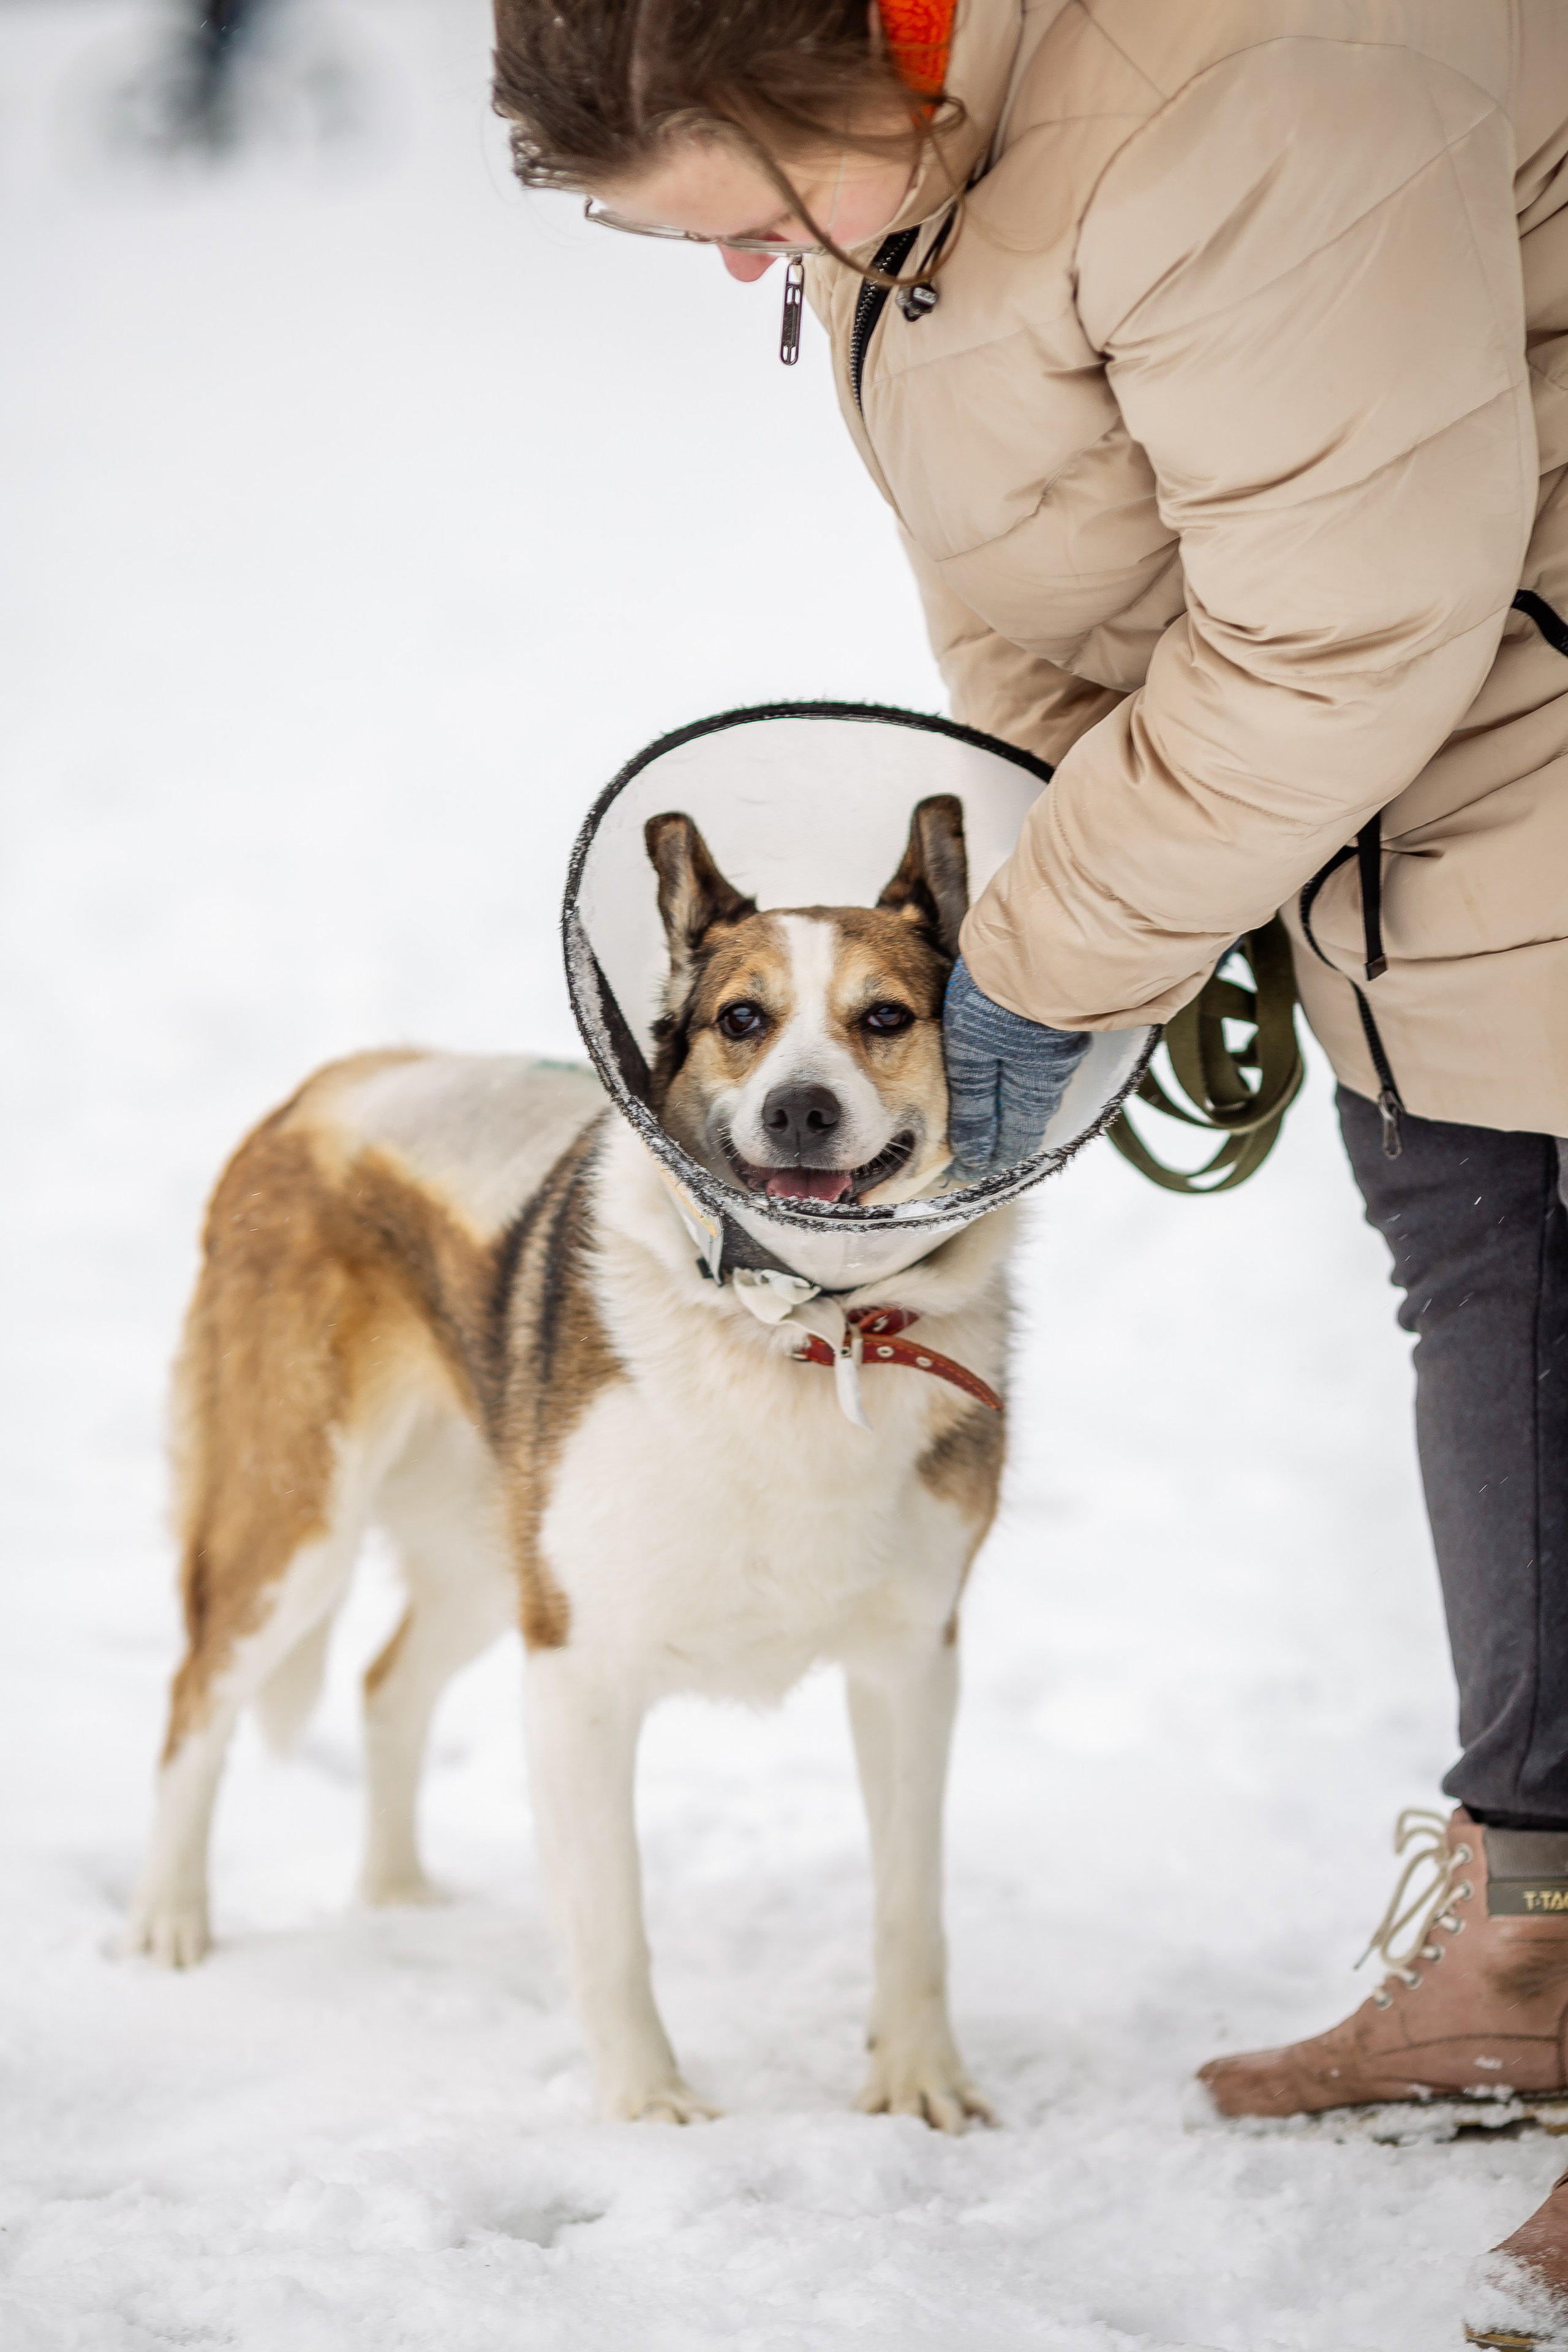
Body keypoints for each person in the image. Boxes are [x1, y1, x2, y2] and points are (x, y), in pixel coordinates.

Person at [489, 4, 1568, 2338]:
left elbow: (1344, 605)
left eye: (760, 221)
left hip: (1484, 714)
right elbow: (1052, 599)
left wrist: (1046, 960)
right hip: (1409, 813)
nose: (758, 271)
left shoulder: (1243, 74)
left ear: (820, 84)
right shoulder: (913, 172)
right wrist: (1078, 870)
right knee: (1491, 1274)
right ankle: (1540, 1948)